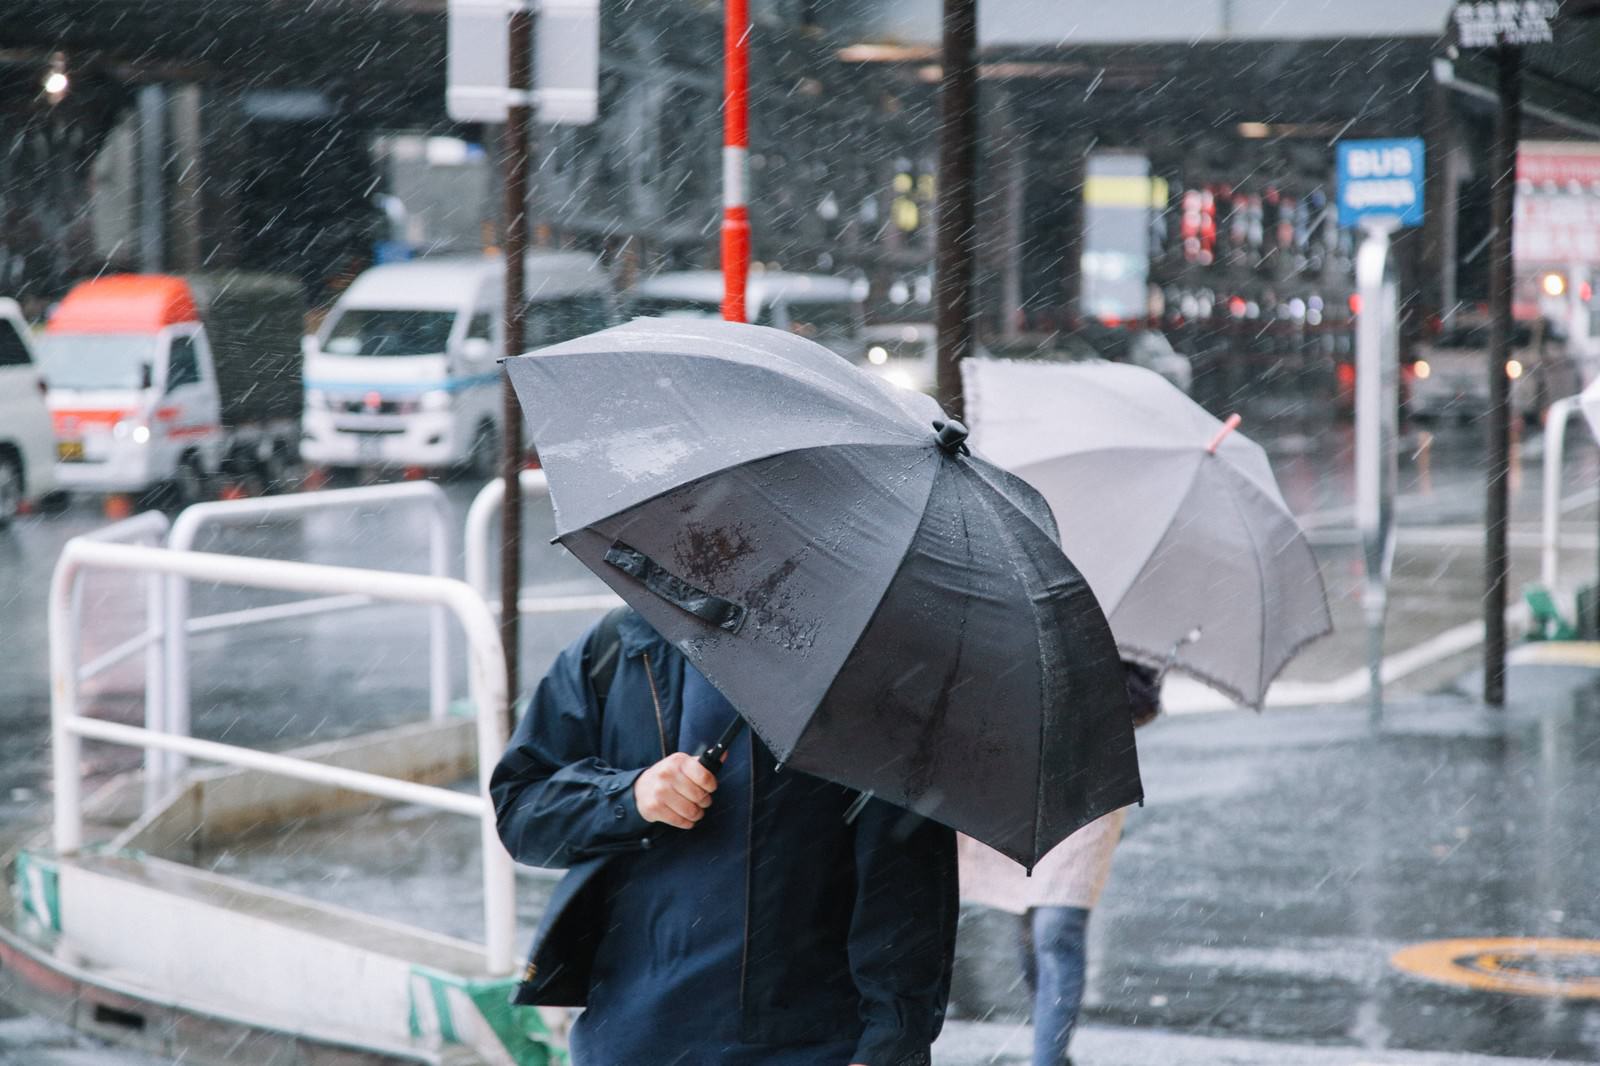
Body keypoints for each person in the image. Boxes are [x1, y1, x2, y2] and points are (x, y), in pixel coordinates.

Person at [491, 607, 958, 1066]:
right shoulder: (624, 642)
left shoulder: (865, 673)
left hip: (809, 1045)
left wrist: (888, 1048)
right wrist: (628, 796)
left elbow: (904, 886)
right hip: (626, 1040)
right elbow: (522, 810)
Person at [957, 662, 1162, 1066]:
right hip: (1021, 780)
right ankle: (1052, 1044)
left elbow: (1144, 701)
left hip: (1093, 786)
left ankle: (1047, 1059)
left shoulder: (1122, 618)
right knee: (1030, 920)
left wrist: (1102, 685)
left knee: (1056, 928)